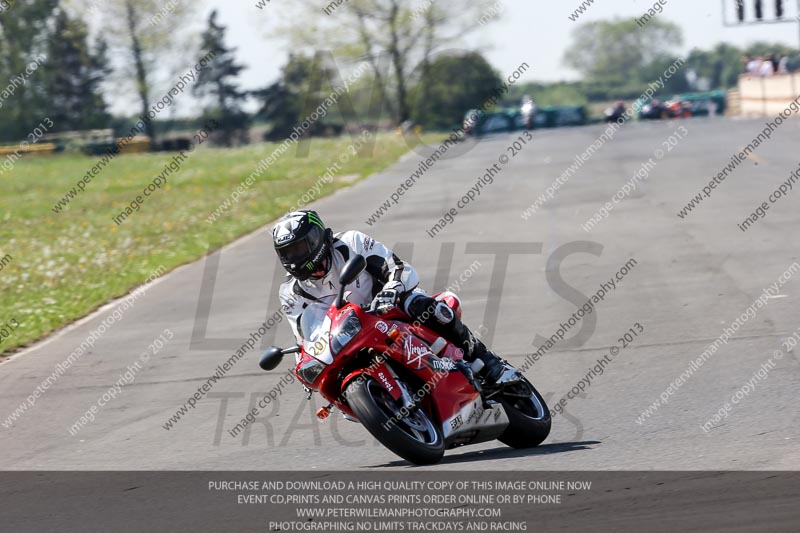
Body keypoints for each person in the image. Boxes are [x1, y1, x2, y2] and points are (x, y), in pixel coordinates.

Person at [272, 209, 506, 383]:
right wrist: (308, 364)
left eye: (299, 248)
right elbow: (305, 339)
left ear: (316, 238)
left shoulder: (350, 243)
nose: (294, 256)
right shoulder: (289, 293)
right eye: (287, 252)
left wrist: (391, 290)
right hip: (349, 340)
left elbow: (398, 268)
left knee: (425, 307)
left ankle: (485, 360)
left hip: (389, 310)